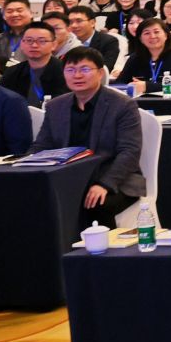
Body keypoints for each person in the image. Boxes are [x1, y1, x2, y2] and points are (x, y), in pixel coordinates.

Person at [32, 47, 144, 224]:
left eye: (85, 69)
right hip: (68, 179)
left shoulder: (122, 105)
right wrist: (26, 163)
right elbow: (41, 146)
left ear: (100, 73)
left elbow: (130, 151)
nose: (77, 76)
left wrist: (105, 184)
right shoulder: (56, 106)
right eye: (70, 70)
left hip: (115, 179)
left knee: (95, 204)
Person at [0, 23, 63, 106]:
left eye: (41, 41)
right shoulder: (12, 72)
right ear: (21, 44)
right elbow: (1, 101)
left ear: (54, 45)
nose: (34, 45)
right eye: (29, 40)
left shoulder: (65, 71)